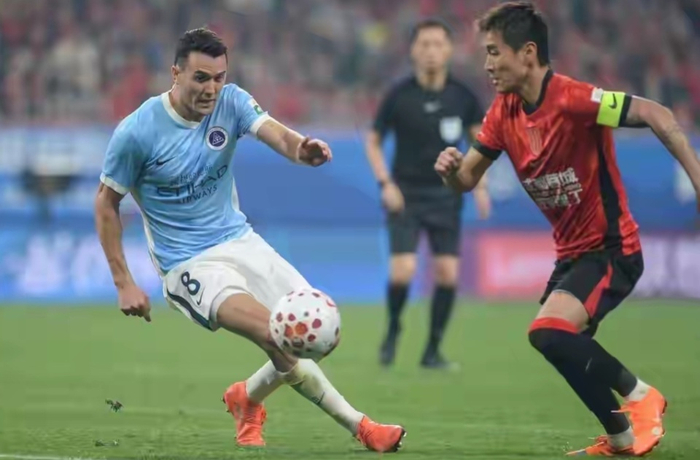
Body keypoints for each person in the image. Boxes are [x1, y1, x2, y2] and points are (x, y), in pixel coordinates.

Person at [94, 28, 405, 453]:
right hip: (189, 264)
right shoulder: (137, 132)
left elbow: (277, 133)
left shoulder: (232, 102)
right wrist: (124, 282)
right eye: (201, 78)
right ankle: (362, 427)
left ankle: (246, 398)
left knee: (317, 330)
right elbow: (106, 203)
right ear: (175, 73)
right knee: (279, 334)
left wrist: (303, 150)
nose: (211, 88)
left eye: (219, 77)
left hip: (241, 241)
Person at [435, 2, 700, 456]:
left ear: (528, 53)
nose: (487, 64)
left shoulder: (577, 100)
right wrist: (450, 171)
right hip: (572, 255)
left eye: (495, 52)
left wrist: (696, 178)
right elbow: (466, 181)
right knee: (555, 341)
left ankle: (641, 396)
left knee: (550, 331)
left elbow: (657, 114)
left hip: (612, 249)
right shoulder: (502, 114)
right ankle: (620, 437)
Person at [365, 18, 491, 369]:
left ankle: (432, 351)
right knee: (402, 271)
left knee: (447, 274)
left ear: (450, 50)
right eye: (424, 44)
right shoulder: (398, 95)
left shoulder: (463, 96)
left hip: (446, 195)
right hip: (405, 194)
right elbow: (373, 141)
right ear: (413, 51)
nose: (431, 51)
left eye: (438, 44)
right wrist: (386, 183)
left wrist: (480, 186)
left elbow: (483, 143)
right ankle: (393, 328)